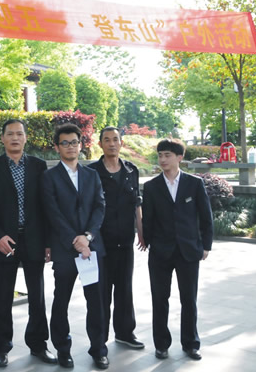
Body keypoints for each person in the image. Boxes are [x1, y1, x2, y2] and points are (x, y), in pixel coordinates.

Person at [0, 119, 55, 368]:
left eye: (19, 134)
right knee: (3, 297)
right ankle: (1, 347)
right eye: (10, 134)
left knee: (37, 296)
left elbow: (46, 206)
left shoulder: (38, 166)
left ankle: (39, 344)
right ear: (2, 138)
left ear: (25, 138)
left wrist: (48, 241)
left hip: (34, 239)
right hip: (5, 241)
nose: (15, 138)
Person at [42, 123, 108, 370]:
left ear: (81, 145)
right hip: (64, 248)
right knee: (61, 301)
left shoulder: (92, 175)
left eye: (74, 142)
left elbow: (100, 207)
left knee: (97, 302)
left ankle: (99, 350)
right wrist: (75, 240)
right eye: (65, 143)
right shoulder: (49, 177)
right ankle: (63, 349)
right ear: (57, 147)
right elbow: (52, 213)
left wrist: (87, 237)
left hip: (91, 249)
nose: (70, 146)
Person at [142, 139, 213, 361]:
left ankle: (191, 344)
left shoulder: (194, 184)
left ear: (179, 157)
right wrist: (150, 243)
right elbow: (148, 219)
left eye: (167, 155)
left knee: (189, 300)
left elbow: (206, 216)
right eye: (160, 155)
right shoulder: (151, 187)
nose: (162, 159)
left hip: (188, 251)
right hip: (160, 253)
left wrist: (206, 245)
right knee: (159, 299)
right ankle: (161, 345)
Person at [88, 127, 146, 349]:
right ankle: (99, 341)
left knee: (124, 289)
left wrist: (141, 231)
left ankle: (125, 333)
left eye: (115, 139)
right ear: (100, 144)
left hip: (125, 241)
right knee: (101, 293)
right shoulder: (92, 172)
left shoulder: (131, 170)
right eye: (107, 140)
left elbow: (136, 203)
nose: (112, 143)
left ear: (121, 143)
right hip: (100, 243)